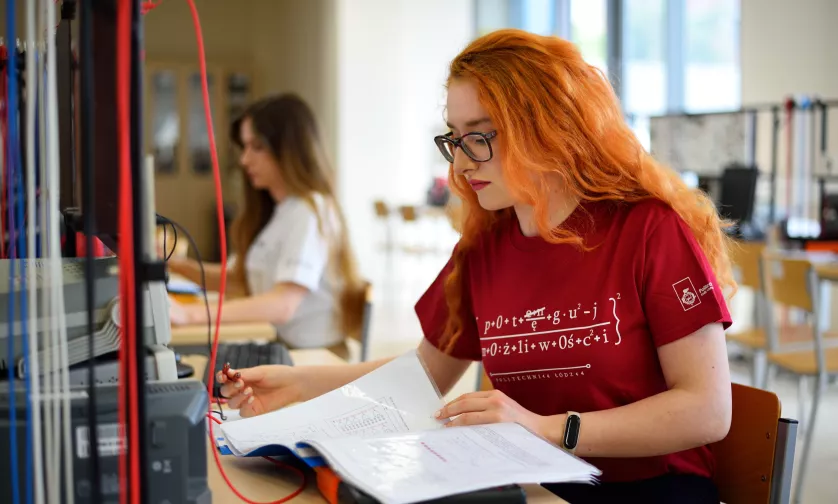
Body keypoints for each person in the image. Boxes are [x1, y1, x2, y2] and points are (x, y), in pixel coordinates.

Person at [216, 30, 735, 503]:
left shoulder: (647, 230)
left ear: (549, 128)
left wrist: (551, 429)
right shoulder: (486, 245)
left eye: (480, 136)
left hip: (650, 490)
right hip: (533, 485)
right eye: (455, 138)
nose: (460, 163)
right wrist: (300, 384)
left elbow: (707, 410)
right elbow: (424, 373)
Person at [167, 94, 364, 350]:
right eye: (245, 147)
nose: (244, 160)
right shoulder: (281, 212)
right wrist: (176, 265)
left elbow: (283, 305)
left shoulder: (310, 211)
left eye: (257, 147)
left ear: (290, 150)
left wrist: (189, 316)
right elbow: (239, 280)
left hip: (313, 355)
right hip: (282, 346)